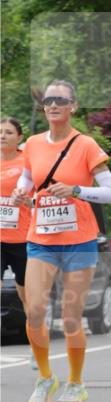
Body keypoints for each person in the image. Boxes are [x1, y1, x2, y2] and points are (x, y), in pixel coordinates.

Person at [11, 81, 111, 402]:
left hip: (78, 240)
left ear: (73, 106)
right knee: (33, 310)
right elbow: (28, 179)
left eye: (60, 99)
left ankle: (76, 382)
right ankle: (46, 377)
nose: (53, 104)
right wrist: (20, 192)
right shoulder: (32, 143)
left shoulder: (86, 145)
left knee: (71, 316)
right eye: (48, 100)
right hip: (41, 238)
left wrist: (76, 191)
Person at [1, 117, 31, 335]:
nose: (2, 135)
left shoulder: (28, 162)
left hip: (23, 237)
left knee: (26, 294)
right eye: (0, 132)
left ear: (20, 137)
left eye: (9, 132)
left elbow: (41, 193)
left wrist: (28, 200)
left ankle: (36, 333)